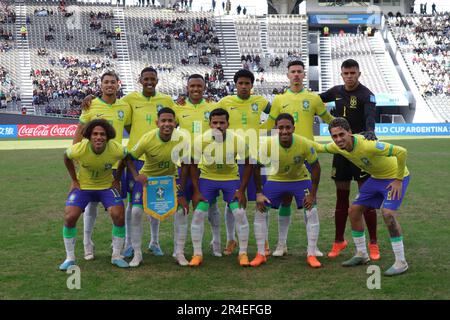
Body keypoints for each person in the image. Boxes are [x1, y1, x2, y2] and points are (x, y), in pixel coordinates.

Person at [313, 118, 410, 276]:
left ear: (349, 132)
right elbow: (319, 147)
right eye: (334, 136)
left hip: (395, 178)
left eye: (341, 135)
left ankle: (401, 262)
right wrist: (297, 141)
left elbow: (401, 151)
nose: (338, 139)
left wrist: (398, 180)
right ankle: (362, 254)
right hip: (376, 178)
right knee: (354, 211)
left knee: (388, 214)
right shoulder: (338, 147)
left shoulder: (368, 144)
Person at [262, 60, 333, 257]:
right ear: (287, 75)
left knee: (309, 202)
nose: (295, 75)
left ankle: (313, 247)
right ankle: (281, 245)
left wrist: (347, 129)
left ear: (304, 75)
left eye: (299, 72)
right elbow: (268, 124)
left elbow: (328, 120)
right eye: (292, 71)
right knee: (284, 201)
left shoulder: (313, 98)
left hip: (306, 155)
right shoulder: (279, 99)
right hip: (282, 156)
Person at [319, 59, 380, 260]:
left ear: (359, 74)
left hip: (360, 150)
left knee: (366, 198)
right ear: (342, 74)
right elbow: (315, 100)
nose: (349, 77)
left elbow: (370, 117)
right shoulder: (336, 91)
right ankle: (339, 241)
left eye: (353, 73)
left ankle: (373, 243)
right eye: (346, 73)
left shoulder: (366, 95)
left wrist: (370, 131)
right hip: (341, 151)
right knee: (341, 199)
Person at [73, 71, 132, 261]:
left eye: (112, 82)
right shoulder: (91, 105)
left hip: (116, 164)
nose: (109, 85)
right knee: (90, 204)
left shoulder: (125, 106)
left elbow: (132, 128)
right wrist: (76, 154)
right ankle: (87, 243)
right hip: (93, 162)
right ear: (101, 85)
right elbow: (80, 131)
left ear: (118, 84)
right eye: (106, 82)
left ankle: (118, 247)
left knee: (116, 207)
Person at [251, 113, 322, 268]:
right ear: (276, 129)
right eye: (280, 127)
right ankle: (261, 253)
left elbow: (316, 167)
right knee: (260, 209)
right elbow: (257, 168)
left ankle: (311, 253)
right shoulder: (268, 144)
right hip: (276, 180)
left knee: (312, 211)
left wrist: (313, 194)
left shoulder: (303, 143)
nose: (284, 131)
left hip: (300, 179)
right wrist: (259, 193)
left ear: (293, 128)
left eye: (287, 127)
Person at [59, 119, 130, 271]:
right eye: (95, 134)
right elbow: (66, 157)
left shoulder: (115, 148)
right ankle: (70, 258)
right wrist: (74, 180)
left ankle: (116, 255)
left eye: (102, 134)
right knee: (70, 216)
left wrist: (117, 179)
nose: (99, 137)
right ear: (89, 136)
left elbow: (126, 158)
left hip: (106, 187)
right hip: (83, 187)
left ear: (108, 136)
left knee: (118, 214)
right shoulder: (80, 149)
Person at [216, 69, 271, 257]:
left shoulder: (261, 102)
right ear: (235, 84)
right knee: (232, 201)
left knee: (260, 198)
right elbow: (213, 119)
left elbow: (277, 115)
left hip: (256, 157)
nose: (244, 86)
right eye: (241, 83)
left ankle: (263, 240)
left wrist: (263, 129)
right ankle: (231, 238)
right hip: (232, 159)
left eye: (247, 83)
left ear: (252, 86)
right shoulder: (225, 102)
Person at [189, 108, 252, 267]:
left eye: (221, 122)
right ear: (209, 124)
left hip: (230, 179)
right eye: (215, 122)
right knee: (198, 214)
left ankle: (243, 253)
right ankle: (197, 254)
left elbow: (248, 164)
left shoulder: (237, 140)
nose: (218, 126)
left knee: (239, 213)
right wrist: (196, 191)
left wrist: (241, 189)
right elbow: (192, 165)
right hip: (207, 179)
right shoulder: (201, 140)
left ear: (227, 124)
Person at [128, 108, 191, 267]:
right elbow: (128, 158)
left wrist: (182, 192)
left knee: (182, 211)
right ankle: (137, 254)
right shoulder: (147, 139)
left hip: (169, 180)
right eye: (163, 121)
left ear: (175, 123)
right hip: (147, 181)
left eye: (170, 121)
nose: (167, 124)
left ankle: (179, 252)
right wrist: (136, 176)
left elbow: (185, 166)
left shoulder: (182, 139)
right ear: (157, 123)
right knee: (135, 212)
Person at [174, 74, 222, 257]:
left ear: (204, 87)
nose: (195, 89)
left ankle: (216, 242)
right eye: (192, 86)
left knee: (211, 205)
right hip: (184, 163)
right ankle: (179, 248)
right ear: (187, 88)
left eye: (199, 86)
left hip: (206, 164)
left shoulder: (211, 106)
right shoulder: (178, 107)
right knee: (181, 206)